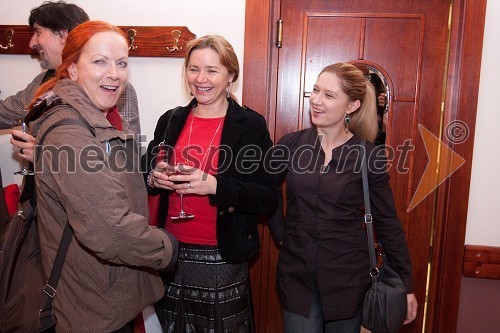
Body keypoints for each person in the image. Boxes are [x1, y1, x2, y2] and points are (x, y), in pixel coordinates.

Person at [26, 20, 178, 332]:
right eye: (100, 62)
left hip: (102, 297)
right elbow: (109, 230)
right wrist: (166, 248)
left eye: (121, 63)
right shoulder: (71, 131)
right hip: (90, 307)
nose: (114, 73)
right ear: (71, 69)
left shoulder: (94, 118)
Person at [142, 34, 277, 332]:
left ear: (230, 75)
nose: (201, 79)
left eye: (212, 70)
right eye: (193, 69)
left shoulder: (250, 125)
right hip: (170, 252)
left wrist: (216, 186)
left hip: (222, 258)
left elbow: (268, 197)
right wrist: (154, 176)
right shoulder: (170, 119)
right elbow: (146, 168)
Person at [268, 62, 418, 333]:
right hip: (297, 278)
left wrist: (406, 284)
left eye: (329, 95)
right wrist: (282, 233)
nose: (316, 100)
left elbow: (387, 223)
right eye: (315, 90)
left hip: (347, 282)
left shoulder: (367, 155)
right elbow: (266, 192)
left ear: (352, 106)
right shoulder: (290, 144)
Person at [3, 0, 141, 163]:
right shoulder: (43, 82)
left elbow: (127, 160)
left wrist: (46, 156)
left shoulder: (113, 89)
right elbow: (6, 112)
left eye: (38, 32)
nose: (32, 42)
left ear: (63, 34)